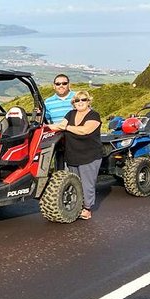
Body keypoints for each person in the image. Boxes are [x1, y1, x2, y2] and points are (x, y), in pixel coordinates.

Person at [48, 90, 102, 220]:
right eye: (77, 100)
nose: (80, 102)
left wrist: (66, 127)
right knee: (75, 183)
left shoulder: (94, 115)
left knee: (87, 183)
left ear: (88, 101)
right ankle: (77, 206)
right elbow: (59, 126)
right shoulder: (70, 114)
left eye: (83, 99)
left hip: (89, 155)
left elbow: (84, 130)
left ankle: (87, 208)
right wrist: (44, 127)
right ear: (73, 103)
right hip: (72, 154)